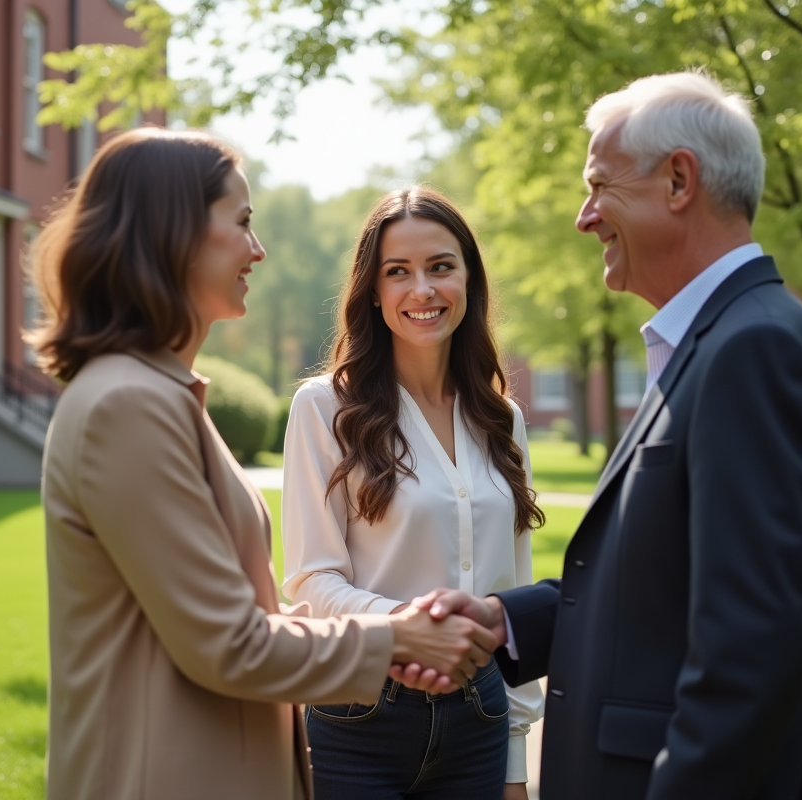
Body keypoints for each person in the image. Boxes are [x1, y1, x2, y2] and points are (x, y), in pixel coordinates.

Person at [414, 71, 802, 799]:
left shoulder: (754, 353)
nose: (584, 217)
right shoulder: (723, 341)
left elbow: (749, 654)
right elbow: (667, 583)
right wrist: (507, 621)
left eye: (599, 185)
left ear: (679, 181)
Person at [31, 128, 498, 800]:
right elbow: (230, 644)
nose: (258, 249)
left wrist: (401, 635)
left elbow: (241, 612)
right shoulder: (127, 405)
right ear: (174, 233)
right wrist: (399, 635)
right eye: (243, 222)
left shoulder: (160, 396)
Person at [281, 187, 546, 800]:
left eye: (441, 267)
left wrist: (515, 760)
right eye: (397, 272)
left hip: (479, 718)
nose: (422, 290)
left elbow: (513, 589)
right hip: (359, 713)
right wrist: (405, 627)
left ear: (469, 280)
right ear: (372, 291)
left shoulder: (502, 419)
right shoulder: (325, 408)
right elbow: (312, 579)